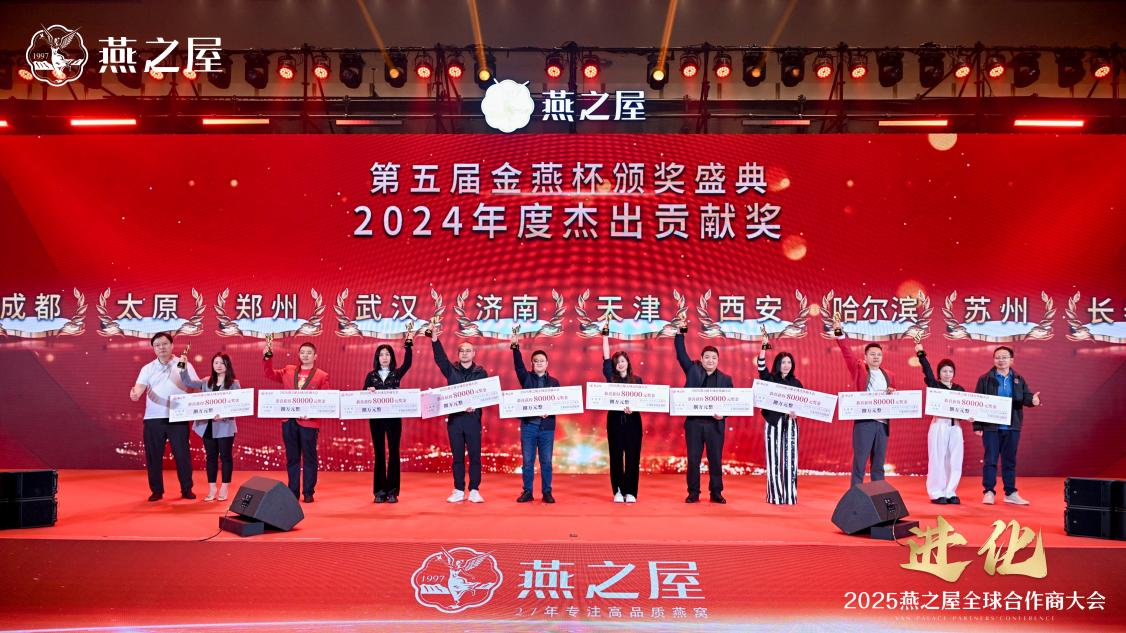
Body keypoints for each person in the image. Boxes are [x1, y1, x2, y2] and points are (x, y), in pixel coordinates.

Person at [130, 332, 198, 501]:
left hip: (178, 417)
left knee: (182, 455)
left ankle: (186, 489)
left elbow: (196, 386)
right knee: (153, 456)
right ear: (154, 348)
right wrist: (135, 394)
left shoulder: (184, 364)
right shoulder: (147, 368)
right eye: (157, 345)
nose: (161, 347)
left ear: (172, 345)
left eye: (165, 344)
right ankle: (156, 491)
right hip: (153, 418)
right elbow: (138, 388)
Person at [428, 323, 489, 503]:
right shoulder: (451, 370)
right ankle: (458, 490)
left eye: (468, 351)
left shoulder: (481, 373)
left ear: (474, 353)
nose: (464, 353)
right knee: (457, 457)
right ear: (458, 354)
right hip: (455, 421)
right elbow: (440, 359)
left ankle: (474, 490)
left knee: (475, 456)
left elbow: (486, 395)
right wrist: (434, 339)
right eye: (461, 351)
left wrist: (476, 405)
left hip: (473, 420)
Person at [832, 315, 896, 487]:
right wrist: (839, 331)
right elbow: (846, 352)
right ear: (865, 356)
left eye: (879, 355)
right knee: (860, 463)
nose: (876, 357)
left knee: (878, 465)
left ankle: (879, 496)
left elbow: (895, 401)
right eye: (872, 354)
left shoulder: (890, 375)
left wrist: (892, 393)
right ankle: (856, 496)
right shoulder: (859, 368)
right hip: (865, 423)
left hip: (882, 424)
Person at [263, 340, 331, 503]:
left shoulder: (322, 375)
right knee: (292, 458)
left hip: (309, 422)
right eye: (302, 352)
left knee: (309, 457)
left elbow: (326, 399)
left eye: (309, 353)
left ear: (315, 356)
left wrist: (312, 413)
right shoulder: (288, 370)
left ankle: (308, 492)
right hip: (289, 421)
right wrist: (267, 357)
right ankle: (293, 492)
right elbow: (269, 374)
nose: (305, 355)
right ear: (299, 355)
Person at [973, 345, 1041, 506]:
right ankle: (989, 492)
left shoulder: (1018, 379)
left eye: (1004, 357)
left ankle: (1010, 493)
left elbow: (1026, 397)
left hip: (1012, 426)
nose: (1001, 360)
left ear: (1011, 360)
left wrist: (1033, 401)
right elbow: (977, 401)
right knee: (990, 460)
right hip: (991, 427)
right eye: (998, 357)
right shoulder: (985, 379)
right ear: (993, 360)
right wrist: (977, 426)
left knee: (1009, 461)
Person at [674, 323, 734, 504]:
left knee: (715, 460)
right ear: (701, 358)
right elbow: (681, 354)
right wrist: (680, 334)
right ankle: (693, 492)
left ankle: (716, 493)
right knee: (693, 460)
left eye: (714, 358)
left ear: (718, 360)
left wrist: (723, 415)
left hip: (715, 425)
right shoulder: (692, 370)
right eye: (707, 357)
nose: (710, 360)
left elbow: (732, 403)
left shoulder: (726, 379)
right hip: (694, 424)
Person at [179, 351, 241, 502]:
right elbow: (188, 382)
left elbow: (239, 405)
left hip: (225, 426)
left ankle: (224, 487)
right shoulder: (206, 381)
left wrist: (225, 414)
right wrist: (183, 366)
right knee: (211, 457)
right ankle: (212, 488)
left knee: (225, 457)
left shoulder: (234, 383)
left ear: (227, 365)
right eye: (216, 363)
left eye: (222, 363)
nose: (218, 366)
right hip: (207, 426)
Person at [914, 339, 967, 505]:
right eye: (944, 371)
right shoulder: (934, 385)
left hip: (956, 426)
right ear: (939, 373)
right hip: (940, 425)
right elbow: (927, 371)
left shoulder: (959, 389)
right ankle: (936, 492)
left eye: (950, 371)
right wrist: (920, 353)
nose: (947, 374)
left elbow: (966, 407)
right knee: (937, 458)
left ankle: (951, 491)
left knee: (955, 459)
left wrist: (970, 415)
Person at [362, 334, 413, 504]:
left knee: (393, 452)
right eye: (381, 355)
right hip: (376, 419)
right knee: (379, 453)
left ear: (391, 357)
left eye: (387, 354)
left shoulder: (396, 374)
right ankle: (379, 491)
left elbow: (408, 363)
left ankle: (392, 492)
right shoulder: (371, 375)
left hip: (393, 419)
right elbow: (360, 396)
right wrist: (367, 391)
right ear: (377, 358)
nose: (384, 357)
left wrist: (408, 344)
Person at [511, 331, 560, 504]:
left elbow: (560, 403)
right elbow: (518, 366)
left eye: (542, 360)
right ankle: (527, 491)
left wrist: (550, 410)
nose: (539, 363)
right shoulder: (526, 378)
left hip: (547, 427)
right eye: (536, 361)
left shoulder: (554, 382)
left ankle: (547, 492)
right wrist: (515, 347)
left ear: (547, 363)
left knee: (546, 462)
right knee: (528, 461)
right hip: (529, 426)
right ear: (532, 364)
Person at [756, 333, 802, 505]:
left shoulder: (796, 383)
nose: (786, 365)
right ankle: (775, 496)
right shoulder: (770, 379)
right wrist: (764, 347)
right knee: (773, 458)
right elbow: (761, 366)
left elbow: (803, 405)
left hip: (790, 424)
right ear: (777, 364)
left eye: (789, 362)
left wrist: (796, 412)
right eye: (783, 362)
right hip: (773, 423)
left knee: (791, 459)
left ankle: (790, 496)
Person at [601, 323, 643, 503]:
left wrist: (635, 407)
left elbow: (643, 401)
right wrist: (605, 336)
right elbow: (605, 357)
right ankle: (618, 491)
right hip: (615, 422)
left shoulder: (637, 380)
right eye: (617, 362)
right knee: (616, 457)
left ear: (628, 363)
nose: (620, 364)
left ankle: (631, 492)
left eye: (623, 361)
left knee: (633, 457)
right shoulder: (611, 378)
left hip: (633, 422)